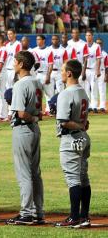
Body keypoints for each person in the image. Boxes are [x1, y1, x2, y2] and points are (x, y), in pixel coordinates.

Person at [6, 51, 45, 225]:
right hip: (35, 130)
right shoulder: (37, 82)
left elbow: (21, 113)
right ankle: (38, 212)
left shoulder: (20, 85)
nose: (13, 64)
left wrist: (32, 117)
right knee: (35, 173)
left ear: (22, 64)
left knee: (24, 173)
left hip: (23, 130)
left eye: (15, 61)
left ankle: (26, 213)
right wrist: (35, 118)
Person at [54, 59, 92, 228]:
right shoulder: (83, 92)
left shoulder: (66, 93)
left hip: (72, 139)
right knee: (83, 177)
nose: (61, 72)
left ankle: (74, 217)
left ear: (69, 73)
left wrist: (79, 125)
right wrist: (82, 126)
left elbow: (63, 121)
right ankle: (84, 216)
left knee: (73, 178)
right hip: (83, 138)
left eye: (62, 70)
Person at [33, 35, 55, 115]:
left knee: (49, 94)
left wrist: (48, 76)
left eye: (39, 39)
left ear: (43, 40)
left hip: (46, 73)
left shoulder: (49, 50)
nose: (37, 41)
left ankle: (50, 110)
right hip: (37, 74)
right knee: (37, 94)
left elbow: (51, 64)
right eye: (37, 39)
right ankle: (38, 111)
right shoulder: (34, 50)